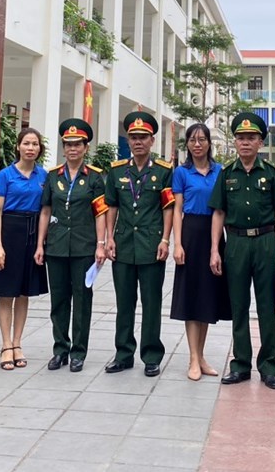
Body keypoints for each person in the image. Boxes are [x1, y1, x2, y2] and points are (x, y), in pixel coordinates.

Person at [210, 111, 275, 390]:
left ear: (260, 142)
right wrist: (215, 250)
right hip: (236, 243)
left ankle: (269, 366)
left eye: (251, 138)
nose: (245, 142)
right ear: (235, 142)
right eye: (241, 138)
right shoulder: (226, 174)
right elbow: (218, 213)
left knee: (266, 306)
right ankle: (241, 364)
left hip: (266, 242)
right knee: (239, 305)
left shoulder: (272, 174)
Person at [105, 111, 175, 376]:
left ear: (152, 140)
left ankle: (151, 355)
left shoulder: (164, 171)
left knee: (151, 303)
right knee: (124, 303)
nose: (138, 142)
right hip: (123, 244)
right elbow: (111, 206)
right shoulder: (116, 171)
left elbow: (168, 208)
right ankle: (123, 354)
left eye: (143, 137)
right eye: (133, 137)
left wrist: (165, 239)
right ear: (128, 140)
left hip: (151, 244)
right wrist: (109, 238)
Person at [35, 119, 108, 373]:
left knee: (82, 300)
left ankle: (79, 351)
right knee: (59, 300)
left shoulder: (95, 177)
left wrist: (101, 244)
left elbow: (100, 213)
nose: (72, 149)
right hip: (56, 246)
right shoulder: (53, 176)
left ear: (86, 148)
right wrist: (40, 244)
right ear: (63, 148)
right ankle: (60, 349)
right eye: (68, 144)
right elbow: (46, 211)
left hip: (83, 247)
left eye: (77, 144)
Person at [170, 123, 231, 381]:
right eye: (193, 140)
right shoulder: (181, 172)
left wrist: (218, 247)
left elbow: (222, 208)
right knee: (191, 297)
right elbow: (177, 210)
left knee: (207, 297)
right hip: (191, 233)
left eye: (202, 139)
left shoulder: (220, 171)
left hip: (214, 234)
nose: (197, 144)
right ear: (187, 144)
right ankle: (193, 358)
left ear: (209, 143)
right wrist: (177, 244)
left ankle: (201, 355)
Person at [0, 127, 49, 370]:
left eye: (35, 144)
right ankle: (5, 345)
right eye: (26, 143)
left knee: (24, 293)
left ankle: (17, 343)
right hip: (9, 233)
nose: (30, 148)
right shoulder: (5, 174)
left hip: (32, 234)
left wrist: (40, 243)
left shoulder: (43, 175)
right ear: (18, 147)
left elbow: (45, 210)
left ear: (39, 149)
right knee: (6, 292)